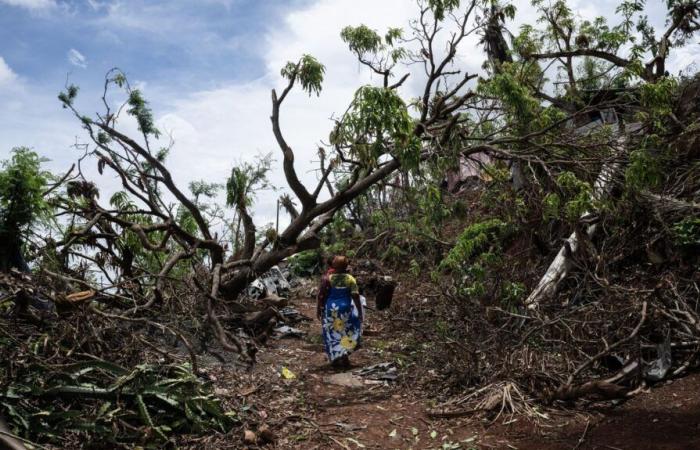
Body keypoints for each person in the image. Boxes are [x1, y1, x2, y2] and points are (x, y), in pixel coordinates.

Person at [316, 256, 363, 368]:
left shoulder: (328, 278)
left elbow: (321, 295)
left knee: (331, 333)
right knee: (346, 331)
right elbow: (356, 296)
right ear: (346, 266)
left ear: (334, 265)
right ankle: (345, 356)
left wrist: (319, 309)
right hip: (345, 309)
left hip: (330, 309)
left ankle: (335, 358)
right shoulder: (350, 279)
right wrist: (360, 312)